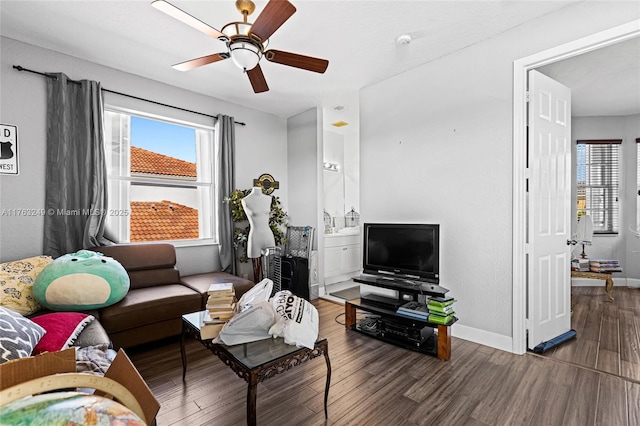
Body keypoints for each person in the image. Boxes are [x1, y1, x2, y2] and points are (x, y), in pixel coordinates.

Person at [242, 187, 275, 280]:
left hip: (268, 236)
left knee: (272, 269)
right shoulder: (246, 200)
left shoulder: (269, 199)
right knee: (256, 270)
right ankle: (258, 290)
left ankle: (272, 291)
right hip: (255, 237)